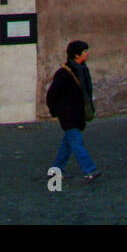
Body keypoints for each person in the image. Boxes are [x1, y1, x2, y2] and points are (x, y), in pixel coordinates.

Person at [45, 40, 101, 182]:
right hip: (67, 114)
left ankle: (56, 169)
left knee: (68, 143)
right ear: (76, 55)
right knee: (76, 142)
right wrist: (56, 112)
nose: (87, 54)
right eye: (84, 52)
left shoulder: (83, 69)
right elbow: (52, 95)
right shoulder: (63, 73)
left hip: (78, 114)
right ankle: (90, 169)